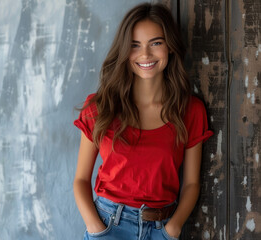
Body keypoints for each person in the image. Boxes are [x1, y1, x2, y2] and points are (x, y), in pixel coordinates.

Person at [73, 3, 214, 240]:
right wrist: (96, 228)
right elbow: (80, 180)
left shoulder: (190, 110)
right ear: (124, 51)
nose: (145, 54)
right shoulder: (101, 107)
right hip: (108, 225)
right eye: (134, 45)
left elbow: (191, 184)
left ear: (169, 46)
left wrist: (172, 229)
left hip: (162, 229)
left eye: (156, 43)